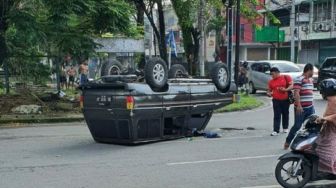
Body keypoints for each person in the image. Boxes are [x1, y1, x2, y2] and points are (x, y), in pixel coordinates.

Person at [284, 63, 315, 149]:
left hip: (310, 108)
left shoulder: (311, 80)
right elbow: (296, 93)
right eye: (313, 71)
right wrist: (298, 105)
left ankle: (307, 144)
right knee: (297, 126)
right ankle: (288, 141)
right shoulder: (299, 79)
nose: (313, 73)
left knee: (311, 125)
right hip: (301, 108)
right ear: (309, 70)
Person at [315, 78, 336, 175]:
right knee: (319, 144)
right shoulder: (330, 99)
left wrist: (325, 119)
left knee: (329, 149)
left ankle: (331, 170)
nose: (321, 92)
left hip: (333, 129)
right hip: (329, 127)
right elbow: (327, 114)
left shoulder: (334, 99)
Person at [267, 67, 293, 136]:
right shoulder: (271, 81)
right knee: (276, 115)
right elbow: (269, 90)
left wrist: (285, 89)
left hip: (285, 99)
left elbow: (291, 86)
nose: (272, 76)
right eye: (271, 74)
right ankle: (276, 130)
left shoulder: (286, 77)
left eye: (272, 74)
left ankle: (285, 128)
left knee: (285, 113)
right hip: (276, 100)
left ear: (277, 72)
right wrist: (269, 93)